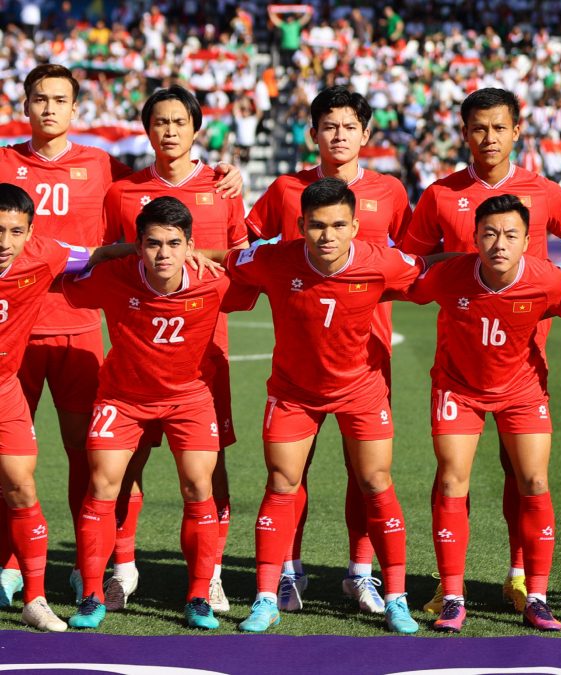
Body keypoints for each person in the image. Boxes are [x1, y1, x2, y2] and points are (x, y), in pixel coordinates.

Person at [0, 64, 241, 608]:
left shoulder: (104, 168)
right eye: (39, 98)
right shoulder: (9, 162)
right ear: (25, 104)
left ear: (75, 109)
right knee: (10, 460)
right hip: (14, 327)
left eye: (60, 99)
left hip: (85, 331)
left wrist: (226, 176)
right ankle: (12, 563)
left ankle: (127, 566)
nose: (48, 109)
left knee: (95, 461)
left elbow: (178, 203)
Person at [401, 87, 561, 615]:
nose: (488, 138)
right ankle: (452, 584)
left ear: (517, 130)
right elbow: (406, 263)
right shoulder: (441, 195)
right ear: (465, 133)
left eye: (498, 127)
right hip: (461, 361)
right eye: (478, 128)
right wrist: (452, 266)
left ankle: (520, 576)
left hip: (524, 364)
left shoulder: (546, 193)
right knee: (453, 474)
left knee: (523, 474)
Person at [222, 178, 424, 634]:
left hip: (362, 389)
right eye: (316, 226)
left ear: (356, 226)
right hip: (294, 392)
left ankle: (395, 597)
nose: (327, 235)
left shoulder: (383, 262)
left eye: (337, 225)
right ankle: (267, 599)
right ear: (299, 226)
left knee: (376, 482)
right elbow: (225, 261)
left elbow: (431, 274)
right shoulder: (273, 259)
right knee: (281, 483)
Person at [247, 84, 413, 616]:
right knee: (291, 473)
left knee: (365, 475)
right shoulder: (284, 189)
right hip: (301, 361)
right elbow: (245, 246)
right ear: (312, 133)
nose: (338, 136)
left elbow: (412, 262)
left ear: (366, 133)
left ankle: (361, 573)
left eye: (349, 127)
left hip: (368, 355)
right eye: (328, 126)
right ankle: (288, 574)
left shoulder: (390, 191)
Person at [99, 85, 248, 615]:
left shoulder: (223, 185)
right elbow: (115, 258)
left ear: (195, 127)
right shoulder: (123, 192)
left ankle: (209, 579)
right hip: (138, 356)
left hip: (206, 356)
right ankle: (121, 569)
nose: (168, 131)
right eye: (158, 122)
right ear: (147, 129)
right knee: (125, 466)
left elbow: (239, 257)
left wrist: (200, 256)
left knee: (210, 470)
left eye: (178, 122)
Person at [63, 197, 232, 631]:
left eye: (174, 244)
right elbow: (57, 272)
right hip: (122, 398)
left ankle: (198, 595)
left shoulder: (215, 281)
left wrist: (209, 256)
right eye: (152, 243)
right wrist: (112, 251)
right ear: (138, 246)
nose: (163, 254)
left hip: (188, 398)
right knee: (101, 483)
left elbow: (263, 260)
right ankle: (92, 594)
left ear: (189, 245)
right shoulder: (113, 277)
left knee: (199, 485)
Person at [0, 182, 128, 631]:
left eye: (15, 232)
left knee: (22, 486)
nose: (4, 243)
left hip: (4, 392)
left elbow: (96, 254)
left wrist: (161, 244)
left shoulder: (45, 253)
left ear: (30, 232)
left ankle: (34, 598)